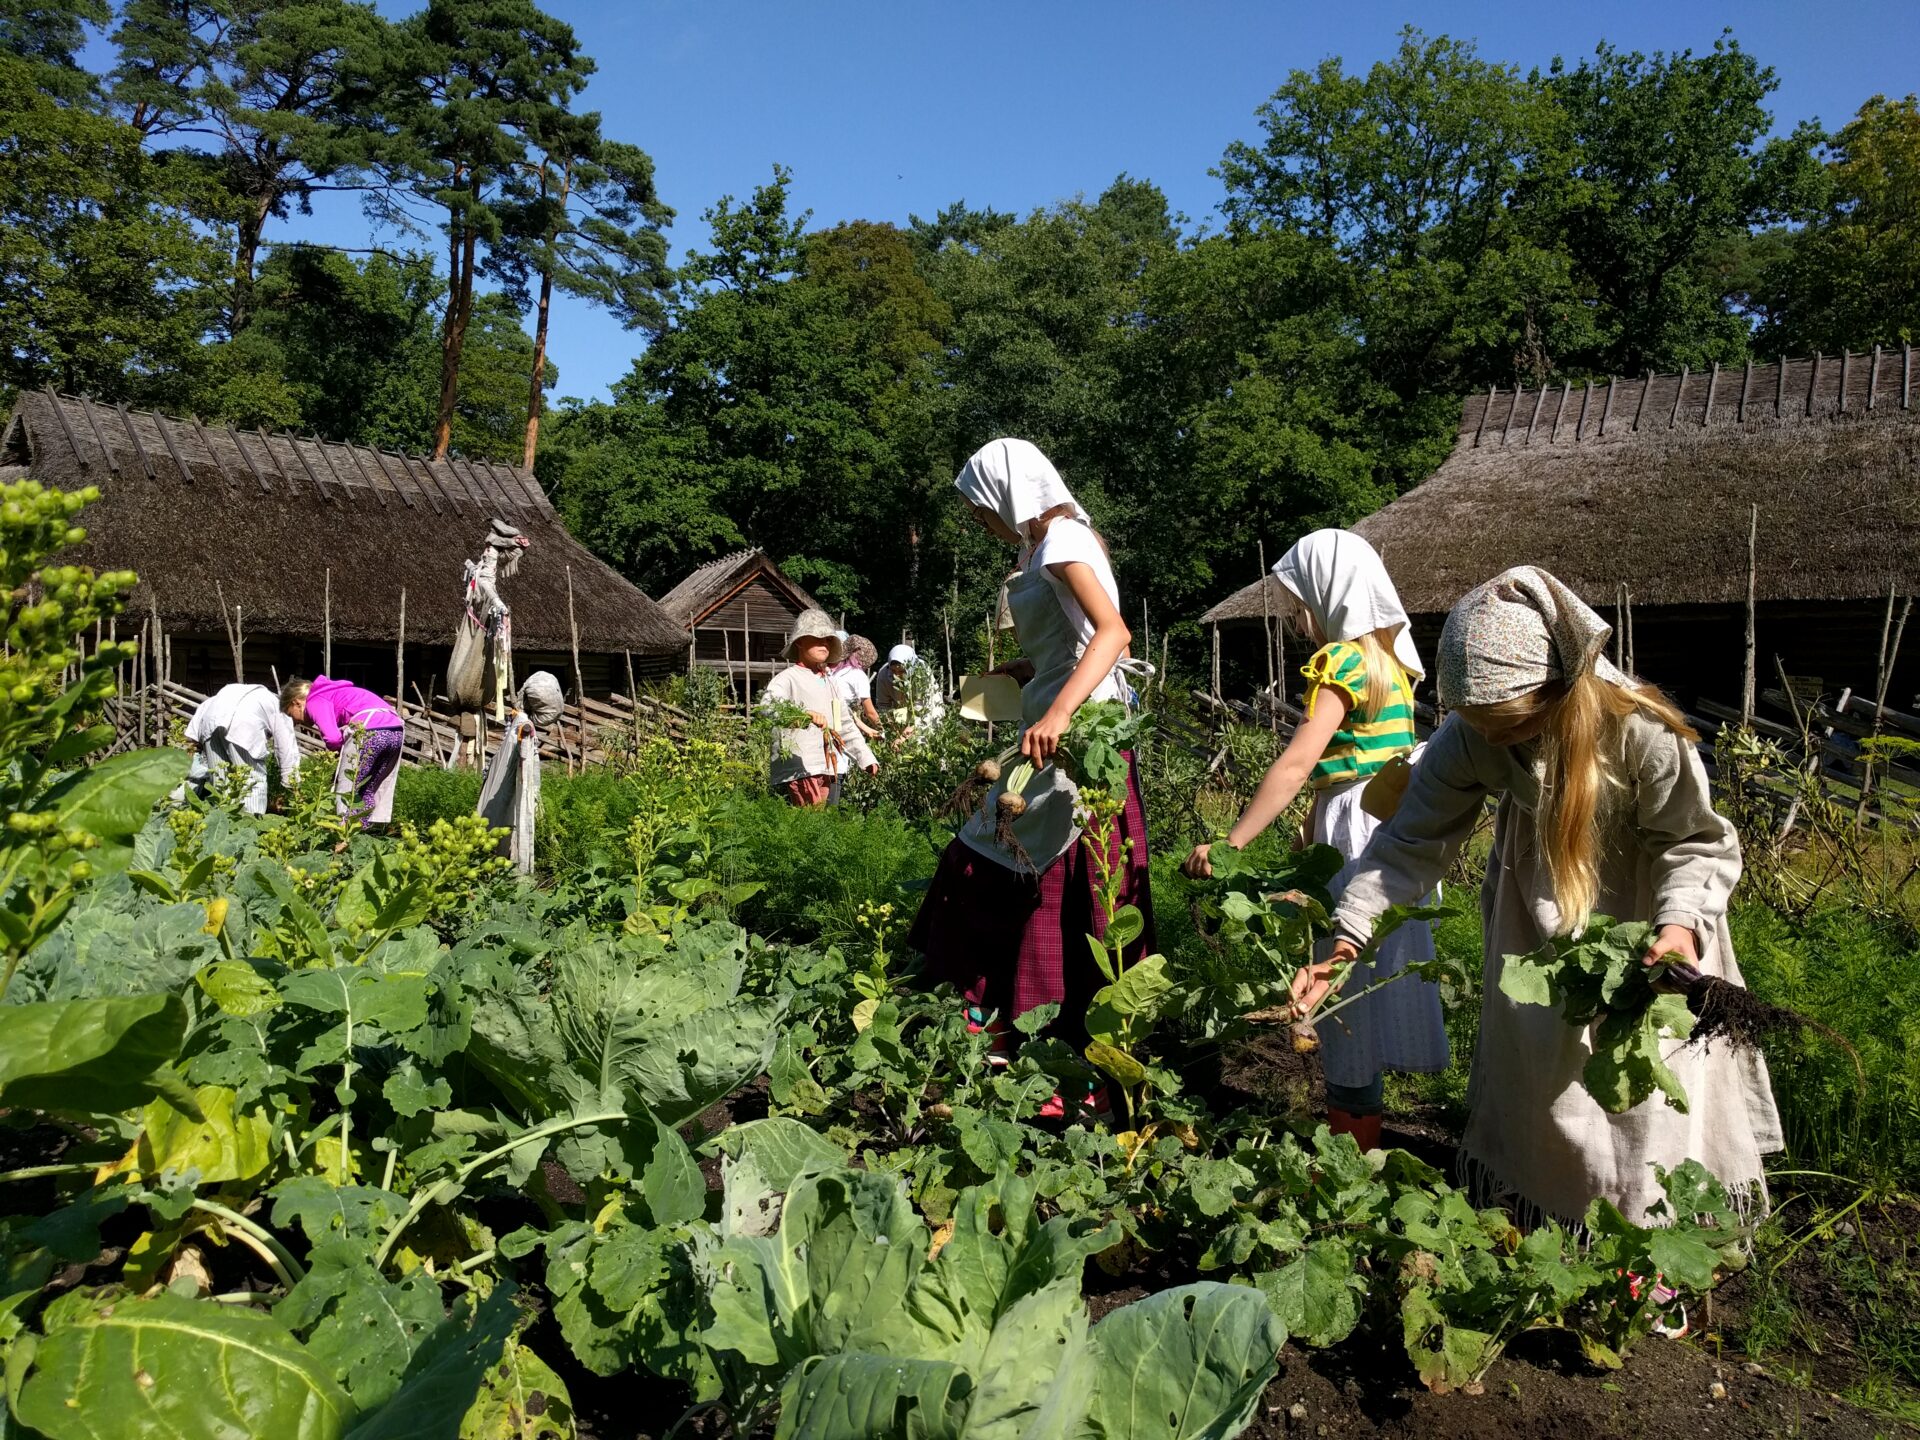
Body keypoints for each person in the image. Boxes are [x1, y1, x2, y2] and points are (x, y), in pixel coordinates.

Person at [1315, 566, 1781, 1227]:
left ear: (1558, 687)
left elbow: (1694, 845)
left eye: (1513, 724)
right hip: (1536, 923)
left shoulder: (1641, 731)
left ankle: (1648, 1249)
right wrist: (1348, 934)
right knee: (1543, 1088)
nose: (1497, 738)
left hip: (1643, 917)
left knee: (1642, 1094)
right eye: (1482, 725)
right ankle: (1550, 1226)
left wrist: (1679, 927)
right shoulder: (1472, 736)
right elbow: (1408, 847)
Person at [907, 437, 1150, 1118]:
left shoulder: (1063, 539)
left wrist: (1063, 712)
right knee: (1008, 872)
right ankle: (1012, 1040)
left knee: (1029, 879)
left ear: (1008, 493)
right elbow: (1069, 643)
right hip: (1051, 723)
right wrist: (1025, 673)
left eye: (980, 506)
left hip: (1075, 740)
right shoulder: (1045, 547)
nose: (980, 520)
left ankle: (1068, 1063)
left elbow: (1113, 635)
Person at [1182, 529, 1446, 1149]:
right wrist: (1309, 822)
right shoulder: (1395, 666)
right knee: (1371, 964)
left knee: (1339, 979)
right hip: (1392, 825)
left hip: (1352, 828)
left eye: (1299, 600)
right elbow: (1360, 763)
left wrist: (1233, 841)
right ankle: (1370, 1137)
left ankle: (1348, 1145)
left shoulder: (1340, 663)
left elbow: (1299, 763)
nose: (1297, 616)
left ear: (1330, 594)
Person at [764, 610, 878, 808]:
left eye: (827, 640)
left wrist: (865, 757)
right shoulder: (788, 678)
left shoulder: (830, 682)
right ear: (799, 642)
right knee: (806, 826)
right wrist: (803, 715)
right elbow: (768, 707)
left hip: (826, 766)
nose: (824, 644)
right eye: (817, 639)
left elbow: (844, 723)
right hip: (800, 768)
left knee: (820, 827)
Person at [283, 675, 406, 829]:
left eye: (290, 714)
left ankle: (343, 833)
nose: (294, 722)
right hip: (396, 730)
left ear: (296, 702)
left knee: (347, 789)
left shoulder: (314, 700)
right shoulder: (334, 692)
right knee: (368, 787)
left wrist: (336, 756)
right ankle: (362, 833)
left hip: (369, 729)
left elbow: (333, 739)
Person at [476, 672, 564, 874]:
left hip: (505, 779)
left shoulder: (520, 720)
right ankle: (503, 859)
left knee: (494, 818)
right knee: (501, 817)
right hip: (509, 782)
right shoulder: (523, 724)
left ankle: (494, 856)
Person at [182, 682, 303, 815]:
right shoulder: (278, 705)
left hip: (210, 724)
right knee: (252, 784)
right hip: (243, 727)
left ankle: (223, 827)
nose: (296, 722)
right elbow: (286, 747)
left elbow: (206, 707)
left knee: (221, 784)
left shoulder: (243, 691)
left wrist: (194, 738)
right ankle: (251, 829)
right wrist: (293, 786)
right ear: (295, 702)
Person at [828, 633, 882, 804]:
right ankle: (832, 811)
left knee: (831, 765)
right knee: (839, 765)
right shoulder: (857, 676)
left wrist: (867, 729)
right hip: (840, 729)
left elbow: (847, 711)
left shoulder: (834, 672)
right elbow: (870, 712)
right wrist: (883, 729)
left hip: (829, 724)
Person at [877, 643, 945, 729]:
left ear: (910, 667)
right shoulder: (883, 674)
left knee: (924, 735)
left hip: (925, 709)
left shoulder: (922, 672)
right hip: (900, 710)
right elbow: (883, 704)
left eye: (901, 671)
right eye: (893, 670)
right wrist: (891, 724)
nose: (897, 675)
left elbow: (927, 705)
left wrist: (913, 728)